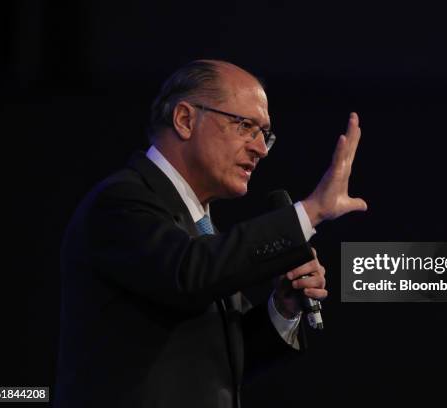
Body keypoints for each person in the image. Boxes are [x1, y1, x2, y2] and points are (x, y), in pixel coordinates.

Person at [54, 60, 367, 408]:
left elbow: (225, 359)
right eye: (246, 126)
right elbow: (188, 273)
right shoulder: (120, 202)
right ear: (185, 120)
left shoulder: (202, 228)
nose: (260, 149)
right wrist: (312, 210)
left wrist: (283, 307)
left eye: (265, 135)